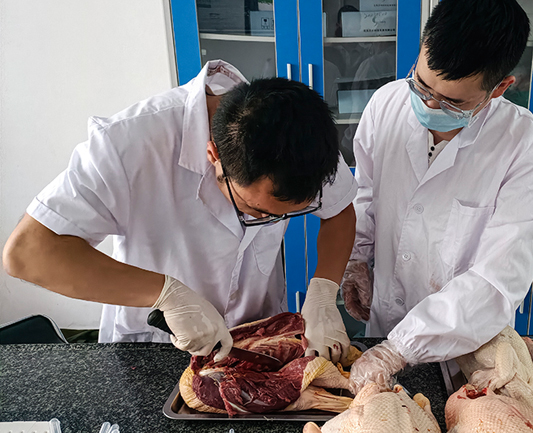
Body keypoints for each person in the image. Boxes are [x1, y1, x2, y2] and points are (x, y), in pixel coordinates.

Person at [3, 60, 357, 364]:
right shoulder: (128, 143)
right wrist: (165, 294)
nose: (267, 222)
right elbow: (28, 253)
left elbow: (339, 210)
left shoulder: (303, 140)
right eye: (254, 209)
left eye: (286, 215)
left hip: (257, 340)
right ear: (213, 155)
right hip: (155, 348)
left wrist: (323, 292)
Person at [342, 0, 533, 392]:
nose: (428, 104)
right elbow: (365, 194)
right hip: (383, 321)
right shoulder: (386, 104)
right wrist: (357, 258)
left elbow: (497, 279)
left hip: (467, 351)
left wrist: (400, 348)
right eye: (422, 84)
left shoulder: (526, 149)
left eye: (452, 102)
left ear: (500, 88)